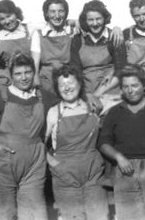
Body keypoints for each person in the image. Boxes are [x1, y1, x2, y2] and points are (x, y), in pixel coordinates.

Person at [0, 54, 51, 220]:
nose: (23, 78)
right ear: (11, 75)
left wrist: (88, 96)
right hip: (0, 165)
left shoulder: (42, 96)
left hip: (33, 167)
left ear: (34, 73)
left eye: (28, 72)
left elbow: (67, 100)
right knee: (3, 215)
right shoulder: (0, 97)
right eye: (18, 73)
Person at [98, 64, 145, 220]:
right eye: (125, 87)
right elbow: (104, 142)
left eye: (134, 85)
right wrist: (119, 158)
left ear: (144, 85)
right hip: (125, 170)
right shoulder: (114, 112)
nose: (130, 90)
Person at [45, 65, 109, 220]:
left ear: (80, 84)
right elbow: (39, 144)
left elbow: (124, 99)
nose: (67, 88)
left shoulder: (94, 107)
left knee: (99, 215)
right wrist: (56, 166)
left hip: (93, 174)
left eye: (71, 83)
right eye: (62, 85)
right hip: (65, 177)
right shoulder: (54, 112)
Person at [70, 0, 127, 112]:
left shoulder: (114, 37)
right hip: (86, 92)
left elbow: (121, 69)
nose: (95, 23)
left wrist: (97, 94)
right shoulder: (78, 39)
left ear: (105, 18)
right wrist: (86, 95)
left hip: (110, 91)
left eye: (98, 19)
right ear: (85, 21)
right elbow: (75, 69)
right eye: (90, 20)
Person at [0, 0, 41, 101]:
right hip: (3, 81)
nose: (7, 21)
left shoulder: (30, 30)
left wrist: (34, 77)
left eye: (9, 16)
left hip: (25, 77)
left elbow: (35, 58)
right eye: (2, 19)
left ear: (16, 13)